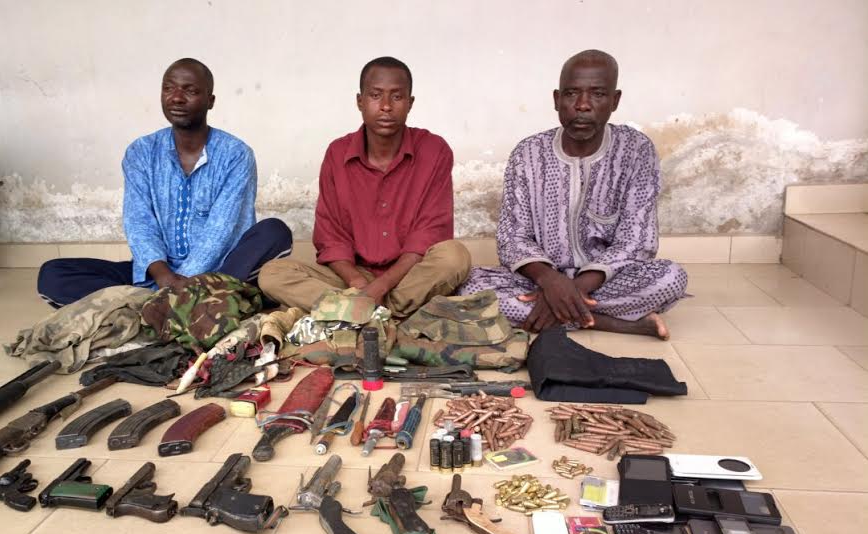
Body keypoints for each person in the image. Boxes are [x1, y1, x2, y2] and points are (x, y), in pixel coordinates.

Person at [457, 50, 687, 339]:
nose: (582, 105)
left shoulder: (636, 150)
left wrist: (573, 289)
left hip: (604, 280)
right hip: (539, 279)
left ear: (614, 101)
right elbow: (512, 238)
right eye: (571, 94)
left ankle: (557, 313)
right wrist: (551, 282)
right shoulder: (528, 153)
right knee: (471, 287)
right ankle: (617, 323)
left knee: (670, 278)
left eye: (598, 94)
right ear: (556, 99)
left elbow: (637, 240)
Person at [37, 58, 292, 307]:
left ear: (210, 101)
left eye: (190, 90)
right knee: (54, 273)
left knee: (274, 232)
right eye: (168, 88)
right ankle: (184, 308)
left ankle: (155, 308)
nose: (177, 98)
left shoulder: (235, 154)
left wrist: (183, 283)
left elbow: (222, 229)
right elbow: (138, 221)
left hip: (220, 271)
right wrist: (163, 277)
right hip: (160, 277)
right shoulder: (141, 152)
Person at [258, 56, 470, 317]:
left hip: (409, 276)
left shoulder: (433, 150)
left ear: (410, 103)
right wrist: (359, 284)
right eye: (375, 95)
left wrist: (381, 286)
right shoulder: (338, 153)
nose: (385, 107)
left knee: (455, 256)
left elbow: (428, 234)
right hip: (351, 280)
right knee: (272, 274)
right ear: (360, 101)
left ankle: (354, 314)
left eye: (397, 97)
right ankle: (381, 314)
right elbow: (331, 237)